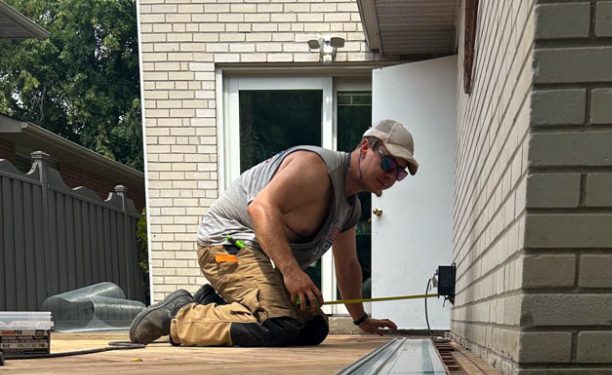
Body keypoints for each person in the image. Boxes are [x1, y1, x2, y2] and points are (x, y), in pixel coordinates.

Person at [129, 119, 419, 348]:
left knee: (313, 328)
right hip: (224, 245)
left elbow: (347, 266)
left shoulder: (350, 208)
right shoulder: (316, 167)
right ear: (365, 147)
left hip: (256, 254)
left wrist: (361, 319)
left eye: (400, 172)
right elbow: (261, 209)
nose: (392, 175)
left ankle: (212, 304)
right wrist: (292, 273)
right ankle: (178, 315)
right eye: (389, 163)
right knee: (278, 325)